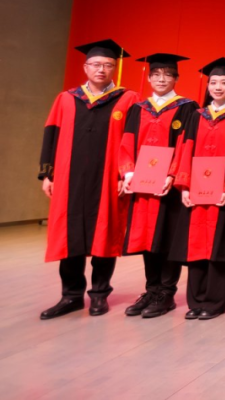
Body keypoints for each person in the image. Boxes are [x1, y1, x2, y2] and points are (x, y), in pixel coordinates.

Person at [39, 39, 139, 319]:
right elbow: (51, 135)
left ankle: (99, 295)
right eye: (96, 64)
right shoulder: (66, 98)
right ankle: (71, 296)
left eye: (108, 65)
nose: (101, 69)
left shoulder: (127, 99)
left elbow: (134, 139)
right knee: (68, 235)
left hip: (108, 179)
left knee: (104, 235)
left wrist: (126, 174)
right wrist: (47, 173)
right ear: (85, 67)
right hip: (68, 179)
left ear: (115, 69)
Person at [118, 53, 197, 319]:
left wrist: (172, 175)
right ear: (149, 77)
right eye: (156, 75)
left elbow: (186, 145)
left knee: (166, 238)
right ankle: (151, 290)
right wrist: (128, 173)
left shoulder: (187, 107)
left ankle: (166, 292)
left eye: (167, 75)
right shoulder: (138, 108)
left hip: (168, 187)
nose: (161, 79)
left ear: (176, 78)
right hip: (142, 185)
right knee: (145, 238)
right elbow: (127, 141)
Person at [171, 57, 225, 320]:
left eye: (224, 83)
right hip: (196, 192)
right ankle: (195, 301)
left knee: (219, 248)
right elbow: (185, 149)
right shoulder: (196, 116)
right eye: (213, 82)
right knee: (195, 245)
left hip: (223, 194)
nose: (217, 87)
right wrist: (183, 186)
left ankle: (215, 302)